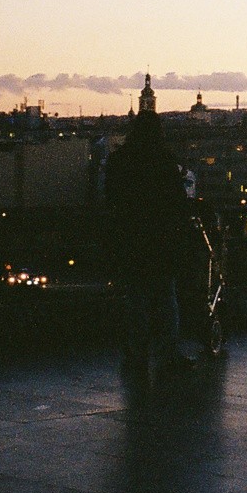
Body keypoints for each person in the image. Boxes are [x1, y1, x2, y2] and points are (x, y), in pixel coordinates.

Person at [103, 105, 193, 385]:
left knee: (136, 299)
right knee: (166, 297)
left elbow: (110, 198)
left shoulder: (120, 160)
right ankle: (168, 353)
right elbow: (177, 202)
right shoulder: (163, 160)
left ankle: (138, 353)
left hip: (130, 239)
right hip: (160, 240)